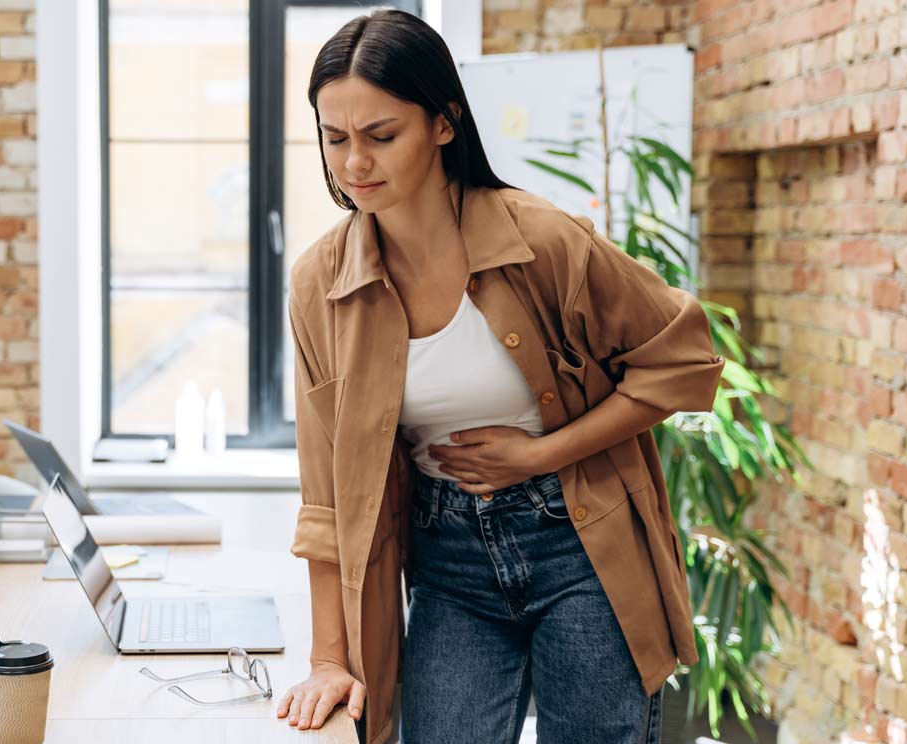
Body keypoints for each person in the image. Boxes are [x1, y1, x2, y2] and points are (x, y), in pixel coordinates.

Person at [275, 9, 724, 744]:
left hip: (581, 546)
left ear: (444, 123)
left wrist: (541, 454)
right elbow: (327, 498)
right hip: (447, 559)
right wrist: (329, 659)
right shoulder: (320, 285)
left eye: (381, 136)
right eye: (335, 138)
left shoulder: (542, 241)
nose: (355, 163)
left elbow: (683, 360)